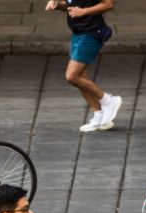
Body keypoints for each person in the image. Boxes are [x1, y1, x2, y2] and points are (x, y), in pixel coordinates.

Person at [45, 0, 121, 133]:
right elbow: (71, 7)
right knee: (81, 78)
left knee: (72, 76)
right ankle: (98, 116)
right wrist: (57, 6)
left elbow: (108, 4)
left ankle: (108, 101)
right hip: (78, 34)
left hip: (91, 34)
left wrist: (83, 12)